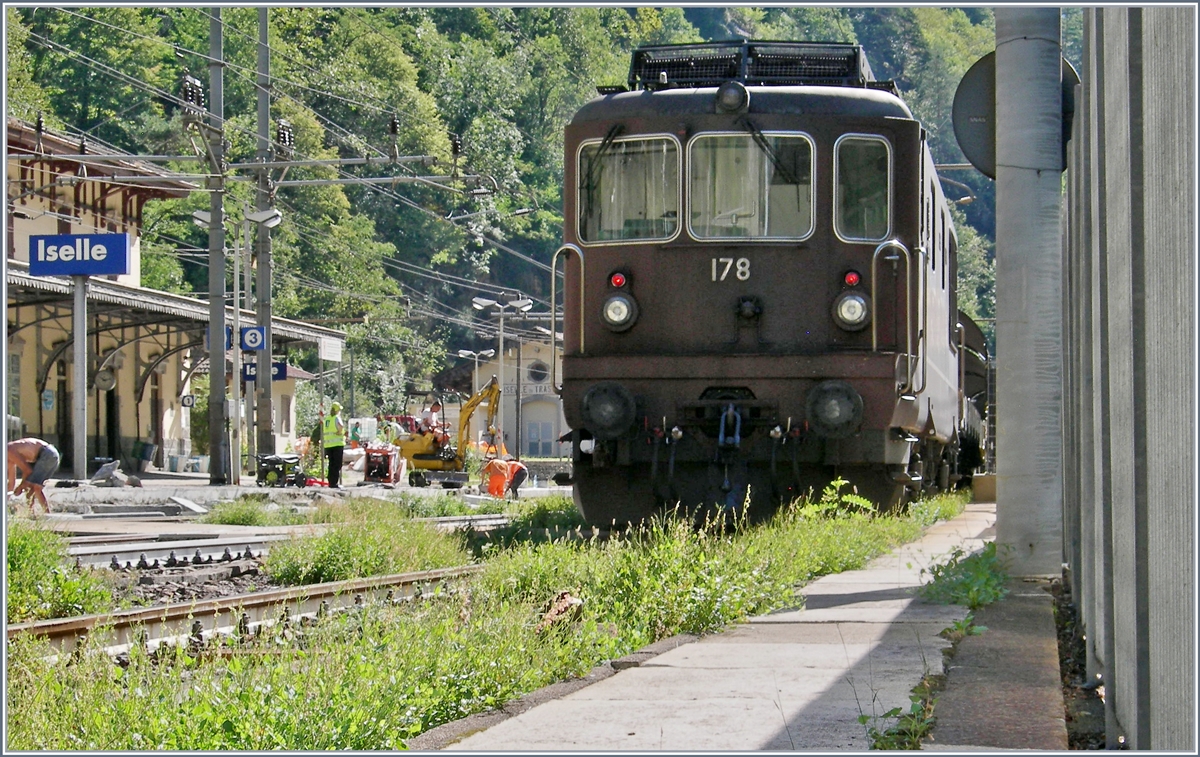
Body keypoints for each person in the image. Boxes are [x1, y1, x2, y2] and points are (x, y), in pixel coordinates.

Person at [7, 437, 60, 516]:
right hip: (49, 455)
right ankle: (44, 514)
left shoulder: (8, 450)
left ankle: (35, 514)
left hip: (47, 454)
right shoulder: (8, 458)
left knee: (31, 486)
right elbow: (11, 483)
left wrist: (21, 486)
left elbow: (27, 470)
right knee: (35, 487)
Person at [323, 402, 346, 489]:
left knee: (331, 464)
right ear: (337, 410)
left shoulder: (327, 419)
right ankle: (334, 483)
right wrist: (339, 432)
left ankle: (331, 482)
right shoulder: (336, 418)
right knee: (337, 464)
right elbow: (341, 426)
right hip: (337, 444)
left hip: (328, 445)